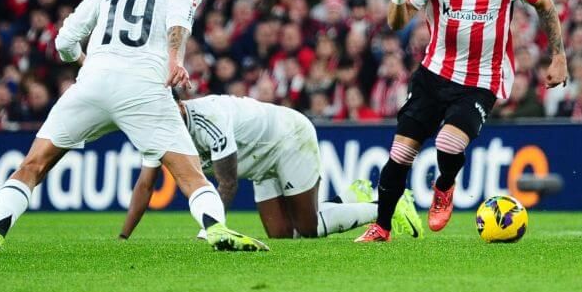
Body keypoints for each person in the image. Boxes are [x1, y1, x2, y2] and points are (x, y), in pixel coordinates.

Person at [0, 0, 268, 254]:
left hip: (92, 84)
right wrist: (175, 61)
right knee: (190, 175)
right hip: (144, 86)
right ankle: (215, 229)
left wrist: (87, 63)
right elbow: (179, 20)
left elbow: (64, 40)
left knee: (33, 165)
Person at [355, 0, 568, 243]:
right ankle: (382, 228)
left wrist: (559, 56)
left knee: (448, 143)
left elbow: (545, 4)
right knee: (401, 153)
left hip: (483, 78)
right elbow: (397, 24)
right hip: (434, 73)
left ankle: (444, 185)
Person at [119, 93, 424, 239]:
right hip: (261, 165)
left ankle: (388, 205)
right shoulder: (163, 133)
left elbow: (227, 183)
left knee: (308, 227)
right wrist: (123, 237)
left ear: (179, 105)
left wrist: (212, 228)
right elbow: (145, 184)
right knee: (282, 236)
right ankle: (349, 199)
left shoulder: (208, 119)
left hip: (288, 138)